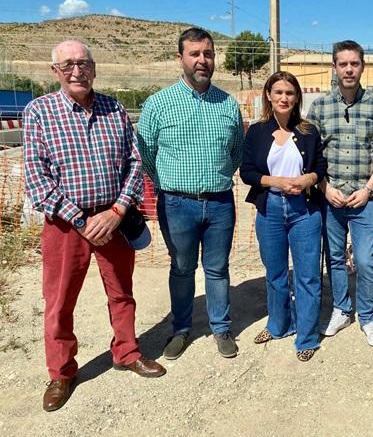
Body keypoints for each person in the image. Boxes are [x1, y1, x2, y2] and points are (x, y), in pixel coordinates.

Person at [23, 40, 166, 413]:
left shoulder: (114, 108)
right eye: (68, 64)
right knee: (59, 302)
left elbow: (135, 163)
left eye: (83, 63)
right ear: (55, 71)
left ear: (94, 68)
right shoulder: (39, 112)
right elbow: (37, 180)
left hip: (113, 218)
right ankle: (62, 372)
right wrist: (82, 220)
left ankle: (126, 351)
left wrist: (118, 210)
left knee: (122, 292)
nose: (77, 71)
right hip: (66, 225)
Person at [137, 28, 244, 360]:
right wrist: (171, 185)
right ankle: (180, 329)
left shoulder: (228, 104)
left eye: (208, 54)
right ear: (180, 58)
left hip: (220, 203)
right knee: (181, 268)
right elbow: (146, 156)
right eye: (195, 54)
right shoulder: (158, 104)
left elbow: (236, 152)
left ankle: (221, 328)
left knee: (217, 268)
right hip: (176, 204)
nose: (202, 60)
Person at [307, 40, 373, 347]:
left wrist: (368, 189)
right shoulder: (319, 108)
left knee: (367, 261)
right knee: (335, 258)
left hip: (365, 200)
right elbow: (310, 155)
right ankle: (342, 309)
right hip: (330, 199)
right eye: (342, 64)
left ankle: (368, 316)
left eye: (354, 63)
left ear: (362, 67)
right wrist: (324, 187)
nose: (348, 69)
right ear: (334, 67)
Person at [240, 71, 326, 362]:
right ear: (268, 95)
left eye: (290, 93)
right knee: (275, 273)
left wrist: (307, 180)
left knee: (307, 276)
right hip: (271, 210)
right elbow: (247, 172)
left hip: (304, 211)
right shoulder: (256, 131)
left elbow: (321, 167)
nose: (284, 98)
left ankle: (307, 336)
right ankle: (278, 325)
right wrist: (275, 181)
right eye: (278, 92)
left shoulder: (309, 131)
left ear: (297, 97)